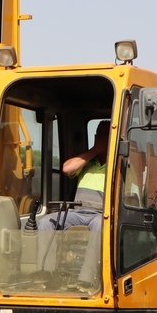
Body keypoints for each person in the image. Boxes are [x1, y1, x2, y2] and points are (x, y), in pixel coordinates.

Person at [31, 121, 110, 291]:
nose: (102, 139)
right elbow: (67, 169)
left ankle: (86, 279)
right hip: (77, 211)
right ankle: (46, 273)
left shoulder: (117, 165)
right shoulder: (86, 162)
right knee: (47, 221)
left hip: (100, 214)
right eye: (100, 135)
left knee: (100, 224)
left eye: (106, 135)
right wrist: (95, 150)